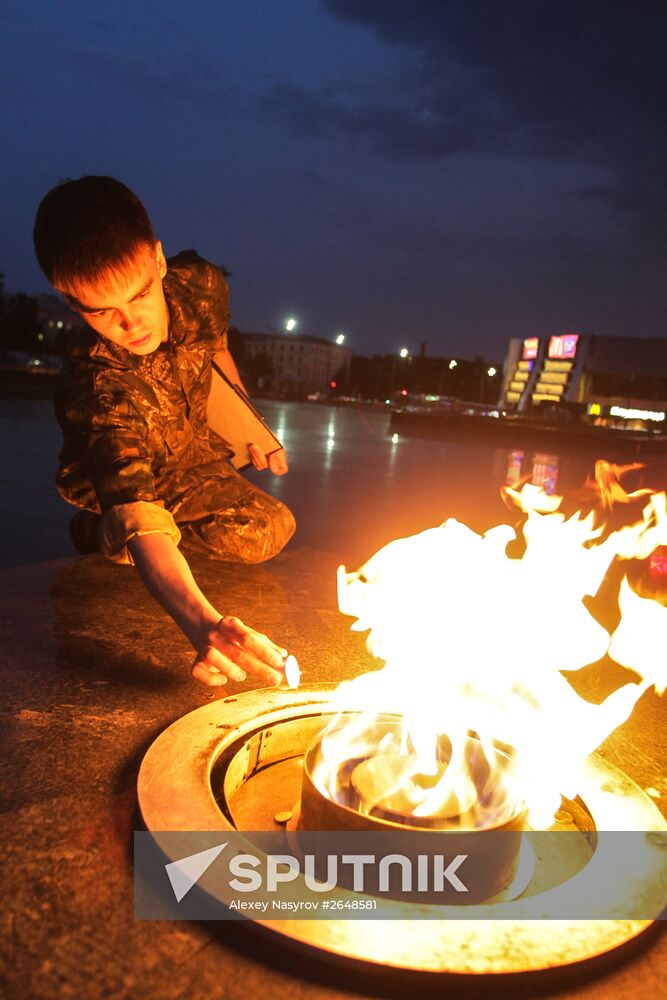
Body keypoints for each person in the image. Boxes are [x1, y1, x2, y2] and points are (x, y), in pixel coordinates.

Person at [33, 175, 296, 689]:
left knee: (270, 529)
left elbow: (215, 347)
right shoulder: (97, 384)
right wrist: (205, 624)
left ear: (158, 261)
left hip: (188, 447)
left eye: (139, 295)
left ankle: (112, 537)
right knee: (143, 531)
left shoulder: (201, 285)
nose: (132, 325)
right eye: (103, 312)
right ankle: (101, 529)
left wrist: (248, 424)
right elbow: (144, 517)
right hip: (125, 475)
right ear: (70, 302)